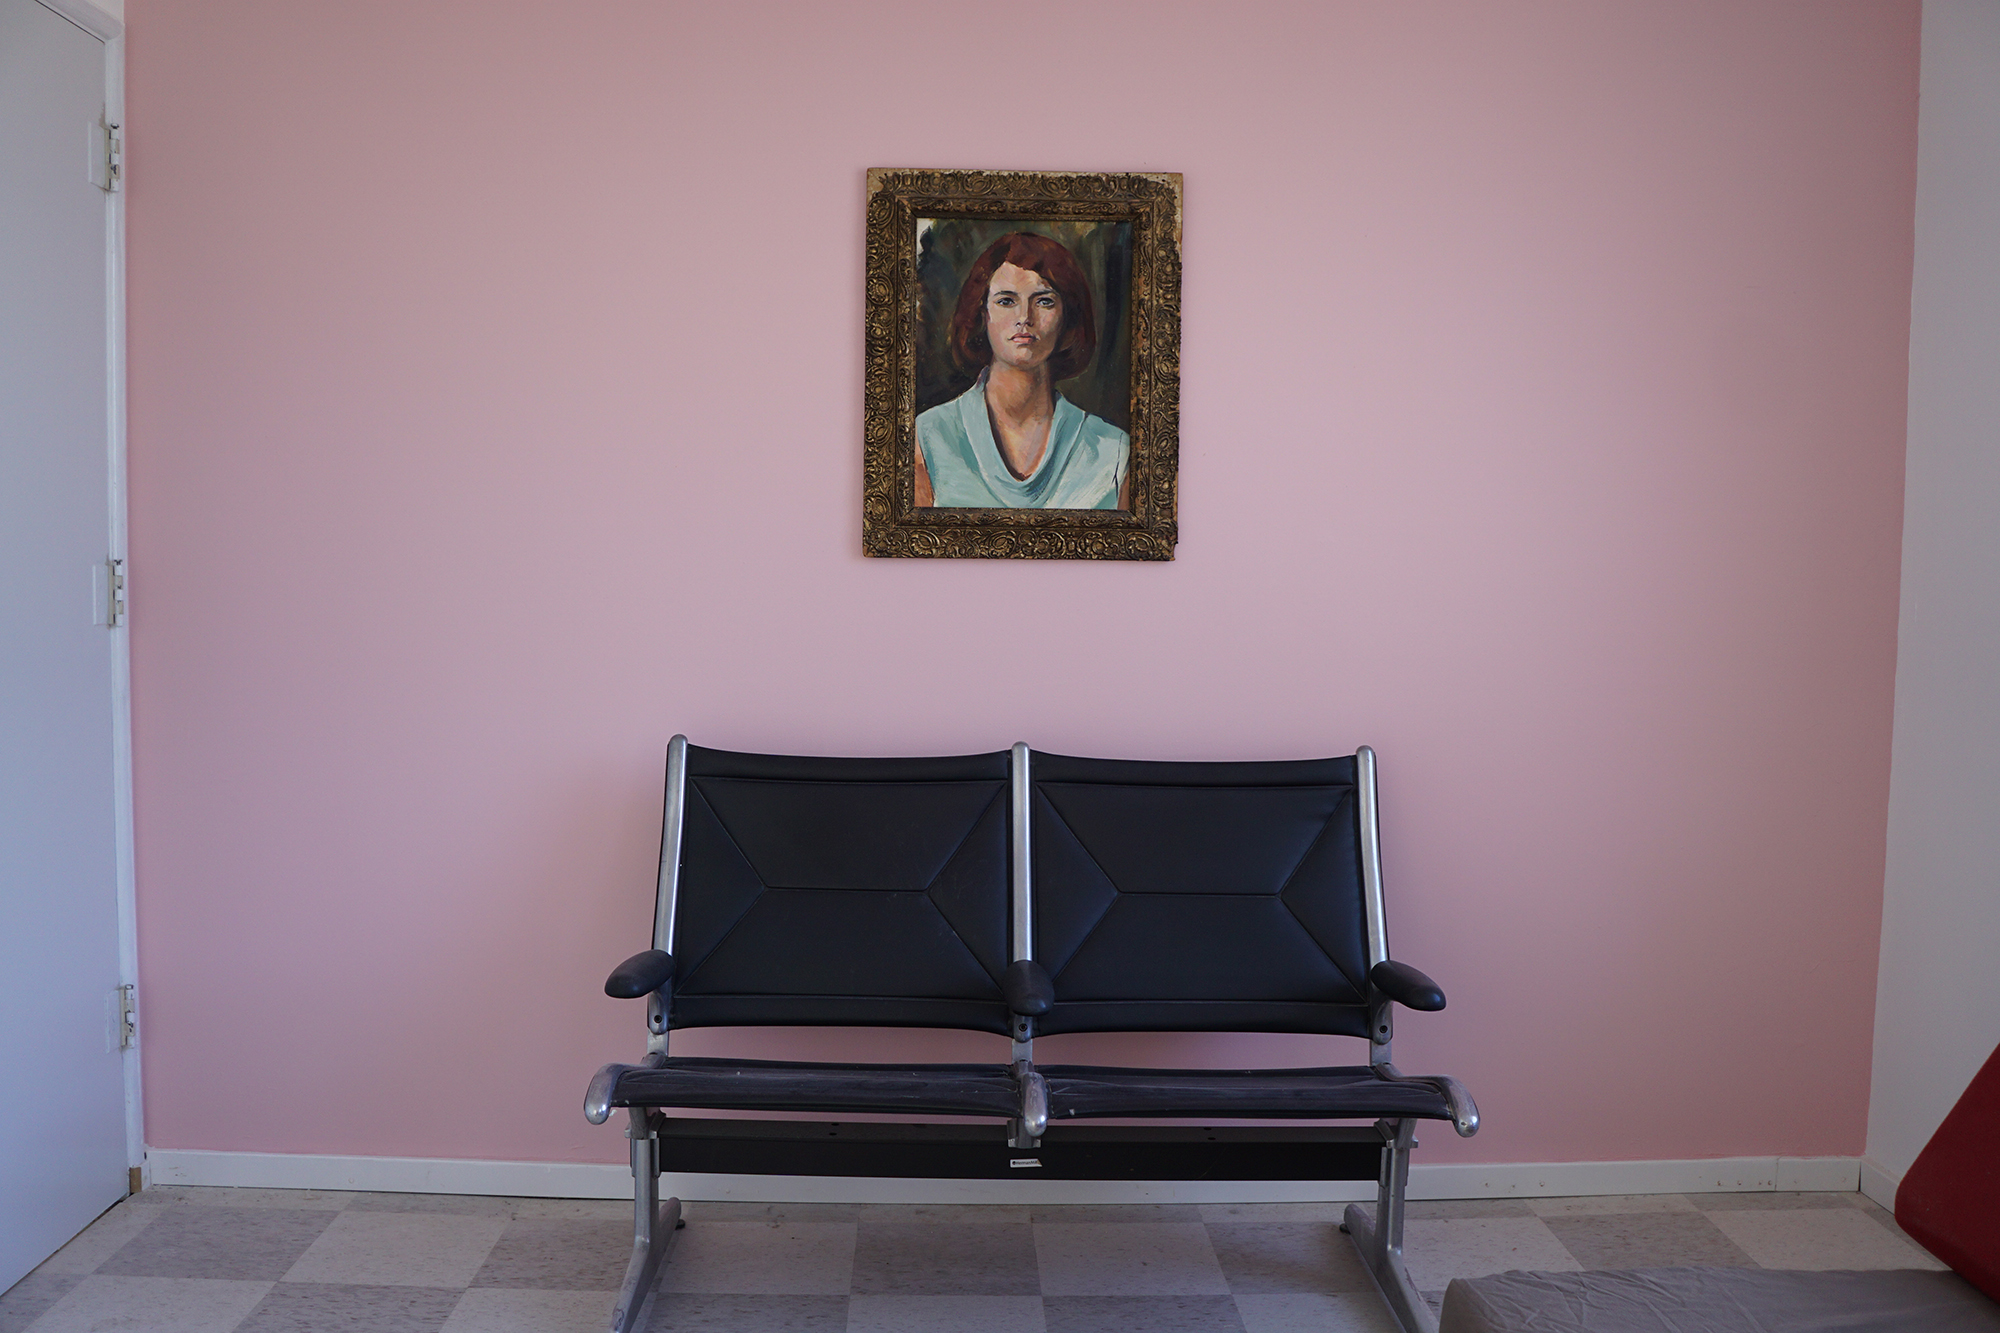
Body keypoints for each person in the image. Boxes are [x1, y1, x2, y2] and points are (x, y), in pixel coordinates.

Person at [915, 232, 1130, 509]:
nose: (1025, 318)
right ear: (982, 314)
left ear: (1067, 316)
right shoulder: (928, 437)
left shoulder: (1113, 452)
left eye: (1044, 301)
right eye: (1006, 301)